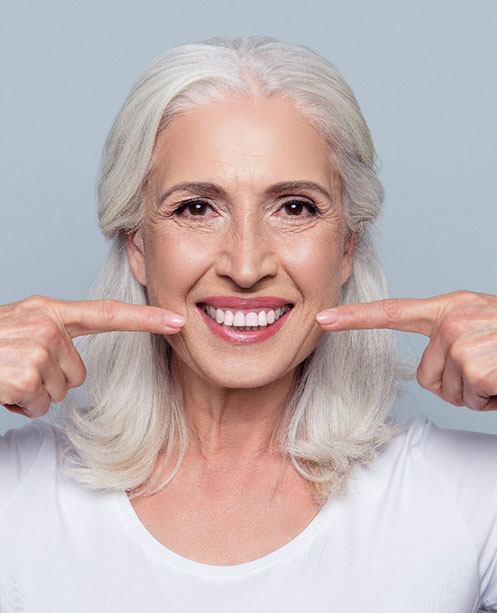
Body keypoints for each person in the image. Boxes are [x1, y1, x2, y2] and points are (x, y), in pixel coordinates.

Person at [0, 35, 496, 612]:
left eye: (295, 208)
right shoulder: (16, 494)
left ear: (346, 250)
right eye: (196, 208)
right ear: (137, 245)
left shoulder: (468, 498)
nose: (244, 265)